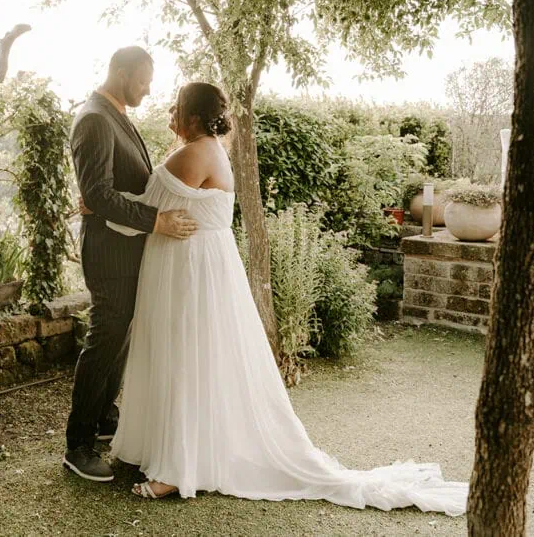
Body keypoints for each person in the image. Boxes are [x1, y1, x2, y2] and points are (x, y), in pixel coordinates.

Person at [104, 82, 468, 516]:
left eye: (176, 106)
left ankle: (176, 468)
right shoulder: (212, 148)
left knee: (183, 355)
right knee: (190, 356)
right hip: (200, 265)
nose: (169, 112)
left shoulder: (193, 152)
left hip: (189, 270)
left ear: (195, 116)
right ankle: (169, 450)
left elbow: (144, 209)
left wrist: (101, 206)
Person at [63, 46, 198, 483]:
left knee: (119, 339)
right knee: (104, 340)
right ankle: (78, 445)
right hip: (109, 253)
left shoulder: (115, 114)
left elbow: (119, 186)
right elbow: (99, 194)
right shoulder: (95, 119)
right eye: (143, 79)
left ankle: (103, 418)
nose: (148, 88)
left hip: (128, 249)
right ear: (120, 72)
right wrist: (156, 220)